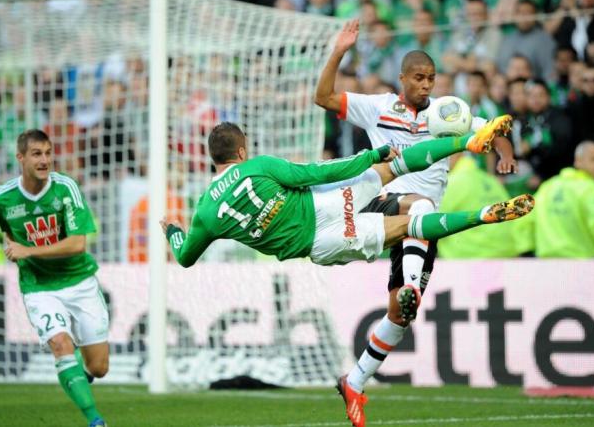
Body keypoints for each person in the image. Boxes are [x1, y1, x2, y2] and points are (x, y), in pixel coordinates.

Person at [162, 122, 533, 427]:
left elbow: (184, 257)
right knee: (390, 171)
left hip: (320, 240)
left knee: (408, 222)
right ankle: (470, 147)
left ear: (214, 159)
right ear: (241, 151)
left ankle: (478, 214)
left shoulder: (206, 212)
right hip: (322, 203)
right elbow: (315, 172)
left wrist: (172, 231)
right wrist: (370, 155)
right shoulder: (257, 166)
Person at [313, 19, 517, 427]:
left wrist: (503, 152)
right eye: (419, 78)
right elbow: (323, 97)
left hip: (420, 229)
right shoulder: (378, 107)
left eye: (432, 78)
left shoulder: (447, 114)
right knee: (419, 205)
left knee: (401, 316)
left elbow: (496, 129)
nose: (426, 85)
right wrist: (339, 51)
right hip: (381, 201)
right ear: (402, 78)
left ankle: (353, 381)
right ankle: (408, 281)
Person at [0, 130, 108, 427]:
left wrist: (28, 251)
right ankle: (95, 420)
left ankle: (78, 379)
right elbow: (8, 232)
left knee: (99, 366)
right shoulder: (3, 198)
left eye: (48, 153)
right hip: (39, 287)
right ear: (20, 158)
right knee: (60, 343)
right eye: (36, 154)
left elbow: (77, 244)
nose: (44, 160)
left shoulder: (65, 188)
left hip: (79, 280)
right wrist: (15, 249)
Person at [524, 141, 594, 257]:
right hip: (583, 265)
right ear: (578, 161)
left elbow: (524, 221)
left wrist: (526, 252)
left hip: (547, 266)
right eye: (593, 160)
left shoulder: (547, 188)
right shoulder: (591, 189)